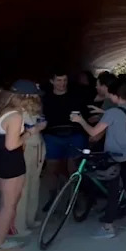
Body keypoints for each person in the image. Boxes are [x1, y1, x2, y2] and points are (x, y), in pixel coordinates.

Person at [0, 81, 46, 251]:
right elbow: (12, 145)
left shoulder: (0, 111)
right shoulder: (16, 116)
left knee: (5, 203)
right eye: (33, 97)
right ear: (25, 98)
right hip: (10, 161)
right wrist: (30, 132)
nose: (35, 101)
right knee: (9, 205)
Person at [71, 79, 126, 238]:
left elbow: (94, 132)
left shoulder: (112, 112)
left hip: (114, 156)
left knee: (113, 192)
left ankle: (108, 227)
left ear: (115, 95)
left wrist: (80, 120)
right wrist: (104, 114)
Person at [41, 71, 86, 203]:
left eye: (64, 80)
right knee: (51, 168)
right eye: (59, 80)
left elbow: (84, 115)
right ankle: (53, 197)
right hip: (53, 136)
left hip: (74, 135)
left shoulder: (75, 97)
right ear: (52, 81)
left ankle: (73, 196)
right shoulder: (46, 98)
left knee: (73, 169)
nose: (62, 84)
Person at [13, 85, 47, 237]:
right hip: (26, 149)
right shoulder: (16, 111)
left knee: (34, 184)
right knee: (24, 187)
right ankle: (19, 225)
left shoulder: (34, 109)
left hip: (37, 147)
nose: (37, 98)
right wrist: (36, 128)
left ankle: (30, 219)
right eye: (34, 95)